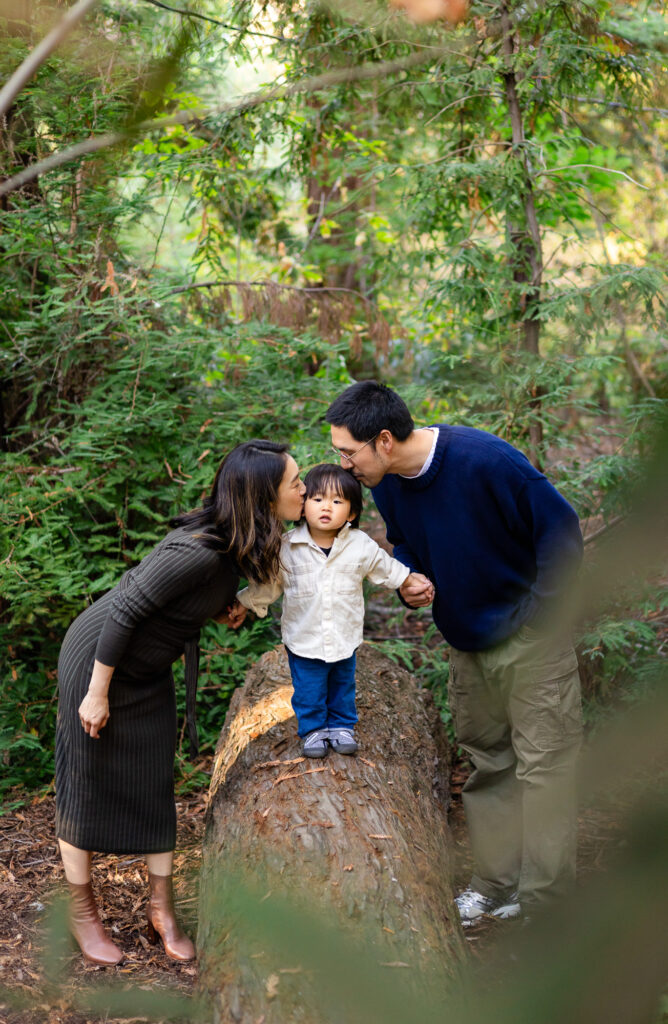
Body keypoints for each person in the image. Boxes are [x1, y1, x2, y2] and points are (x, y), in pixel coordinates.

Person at [325, 382, 584, 922]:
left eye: (348, 452)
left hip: (532, 637)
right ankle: (494, 885)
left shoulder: (485, 460)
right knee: (490, 765)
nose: (343, 466)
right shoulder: (386, 482)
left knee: (545, 768)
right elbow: (407, 541)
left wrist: (542, 614)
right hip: (467, 640)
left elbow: (560, 528)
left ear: (386, 440)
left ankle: (545, 902)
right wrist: (411, 580)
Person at [55, 440, 306, 965]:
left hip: (147, 668)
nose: (304, 491)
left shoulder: (238, 543)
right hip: (101, 662)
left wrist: (217, 612)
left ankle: (160, 910)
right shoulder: (198, 549)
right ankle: (83, 917)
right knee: (85, 783)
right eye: (294, 484)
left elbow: (177, 604)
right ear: (263, 497)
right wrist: (96, 693)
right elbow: (125, 608)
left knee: (154, 779)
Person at [233, 463, 433, 758]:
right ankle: (313, 730)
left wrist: (408, 578)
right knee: (309, 690)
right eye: (317, 499)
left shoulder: (359, 545)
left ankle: (341, 726)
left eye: (337, 501)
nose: (326, 507)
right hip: (304, 639)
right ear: (303, 506)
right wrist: (242, 602)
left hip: (344, 635)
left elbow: (384, 566)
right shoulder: (287, 548)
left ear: (351, 513)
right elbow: (268, 586)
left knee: (342, 685)